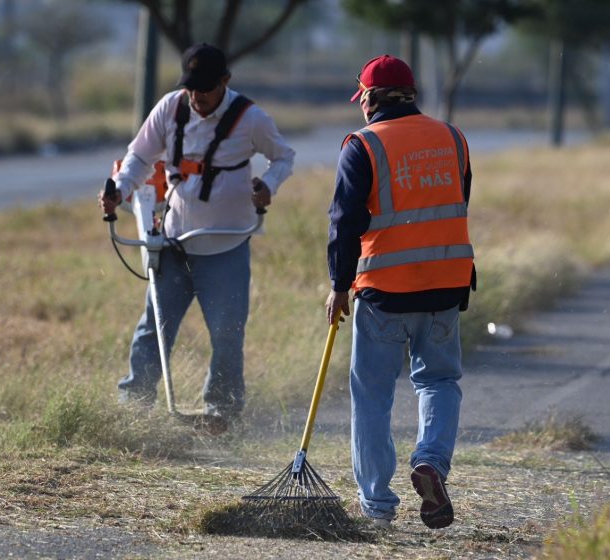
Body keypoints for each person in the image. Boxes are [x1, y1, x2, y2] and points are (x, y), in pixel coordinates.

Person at [99, 43, 295, 421]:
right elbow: (139, 158)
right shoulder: (171, 108)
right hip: (174, 243)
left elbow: (284, 156)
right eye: (191, 87)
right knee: (153, 328)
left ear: (225, 81)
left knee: (226, 334)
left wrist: (269, 183)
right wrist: (118, 189)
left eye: (205, 88)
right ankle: (135, 406)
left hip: (226, 245)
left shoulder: (249, 118)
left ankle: (221, 411)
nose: (197, 96)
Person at [325, 55, 475, 530]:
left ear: (369, 98)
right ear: (410, 94)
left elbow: (344, 224)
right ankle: (430, 460)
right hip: (446, 286)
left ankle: (377, 506)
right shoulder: (453, 138)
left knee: (372, 396)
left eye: (362, 98)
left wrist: (338, 285)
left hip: (384, 290)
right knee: (439, 381)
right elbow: (458, 200)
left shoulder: (362, 145)